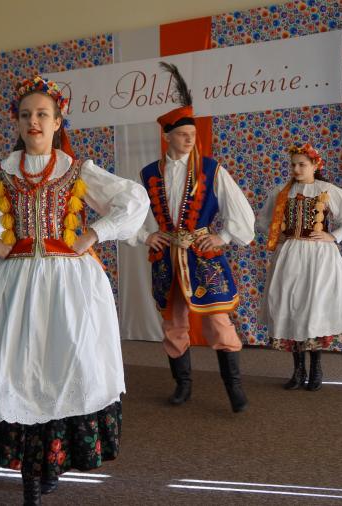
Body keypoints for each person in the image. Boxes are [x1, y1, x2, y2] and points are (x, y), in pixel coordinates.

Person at [0, 75, 149, 506]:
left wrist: (93, 234)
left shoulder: (78, 170)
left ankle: (51, 462)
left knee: (61, 367)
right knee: (19, 370)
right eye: (26, 114)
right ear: (17, 122)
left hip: (68, 284)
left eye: (42, 114)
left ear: (56, 121)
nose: (33, 121)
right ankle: (30, 475)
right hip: (14, 283)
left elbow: (133, 199)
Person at [130, 63, 255, 413]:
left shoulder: (211, 169)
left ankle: (234, 387)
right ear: (167, 136)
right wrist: (145, 236)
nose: (190, 139)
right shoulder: (148, 174)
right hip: (167, 257)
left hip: (202, 254)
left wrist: (224, 236)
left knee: (218, 321)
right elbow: (133, 213)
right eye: (183, 134)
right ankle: (182, 384)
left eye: (192, 133)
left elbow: (239, 210)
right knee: (173, 323)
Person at [257, 143, 342, 391]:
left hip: (318, 257)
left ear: (315, 165)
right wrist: (278, 233)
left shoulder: (327, 190)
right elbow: (262, 220)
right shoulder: (281, 192)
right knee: (291, 306)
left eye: (302, 164)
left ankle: (316, 368)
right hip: (290, 255)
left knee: (313, 308)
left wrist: (334, 235)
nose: (296, 169)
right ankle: (298, 370)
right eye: (293, 164)